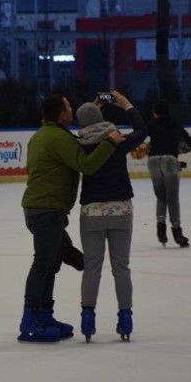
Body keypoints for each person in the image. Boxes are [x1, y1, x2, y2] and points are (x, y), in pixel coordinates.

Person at [18, 93, 125, 343]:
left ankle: (44, 316)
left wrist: (94, 111)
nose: (71, 110)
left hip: (43, 208)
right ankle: (30, 320)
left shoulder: (45, 134)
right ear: (61, 114)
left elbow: (71, 144)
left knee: (52, 263)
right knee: (43, 264)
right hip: (46, 210)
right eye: (68, 107)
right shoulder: (56, 137)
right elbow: (86, 164)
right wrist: (110, 142)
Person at [75, 91, 148, 343]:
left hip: (91, 213)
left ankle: (87, 317)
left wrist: (91, 112)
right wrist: (126, 105)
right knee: (121, 268)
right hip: (120, 211)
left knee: (92, 269)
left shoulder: (78, 143)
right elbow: (142, 130)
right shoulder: (117, 140)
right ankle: (125, 317)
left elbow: (89, 129)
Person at [146, 99, 191, 247]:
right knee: (172, 199)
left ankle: (161, 229)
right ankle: (177, 232)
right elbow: (189, 139)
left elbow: (138, 137)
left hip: (153, 162)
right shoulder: (175, 123)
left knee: (161, 197)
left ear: (155, 112)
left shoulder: (151, 124)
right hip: (169, 161)